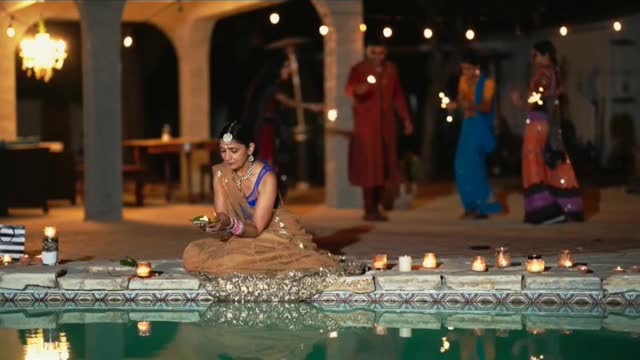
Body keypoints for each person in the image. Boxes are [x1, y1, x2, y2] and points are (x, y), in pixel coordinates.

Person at [183, 121, 338, 274]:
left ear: (250, 149)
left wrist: (230, 223)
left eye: (234, 150)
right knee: (192, 254)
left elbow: (256, 229)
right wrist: (217, 225)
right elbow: (223, 219)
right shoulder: (220, 174)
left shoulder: (267, 178)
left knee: (232, 262)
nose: (227, 157)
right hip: (241, 233)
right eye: (223, 151)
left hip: (273, 232)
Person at [345, 38, 413, 221]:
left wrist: (406, 119)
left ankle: (381, 202)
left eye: (381, 53)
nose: (378, 57)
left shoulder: (391, 69)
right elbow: (350, 89)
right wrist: (360, 89)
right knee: (370, 165)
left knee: (386, 163)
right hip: (367, 126)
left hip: (387, 125)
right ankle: (370, 208)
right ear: (367, 51)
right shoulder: (359, 69)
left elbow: (398, 96)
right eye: (374, 53)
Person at [521, 40, 583, 224]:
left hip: (538, 122)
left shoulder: (543, 74)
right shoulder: (554, 72)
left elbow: (539, 95)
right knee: (549, 161)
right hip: (547, 122)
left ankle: (544, 209)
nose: (533, 59)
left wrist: (526, 98)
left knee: (532, 161)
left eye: (535, 55)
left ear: (546, 55)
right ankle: (564, 206)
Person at [447, 50, 502, 219]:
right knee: (460, 165)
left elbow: (486, 107)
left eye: (469, 69)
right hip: (468, 126)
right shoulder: (464, 81)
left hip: (481, 127)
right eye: (463, 69)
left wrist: (470, 106)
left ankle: (484, 206)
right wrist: (454, 105)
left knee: (475, 166)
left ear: (477, 68)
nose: (465, 73)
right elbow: (460, 101)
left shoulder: (488, 83)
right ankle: (470, 205)